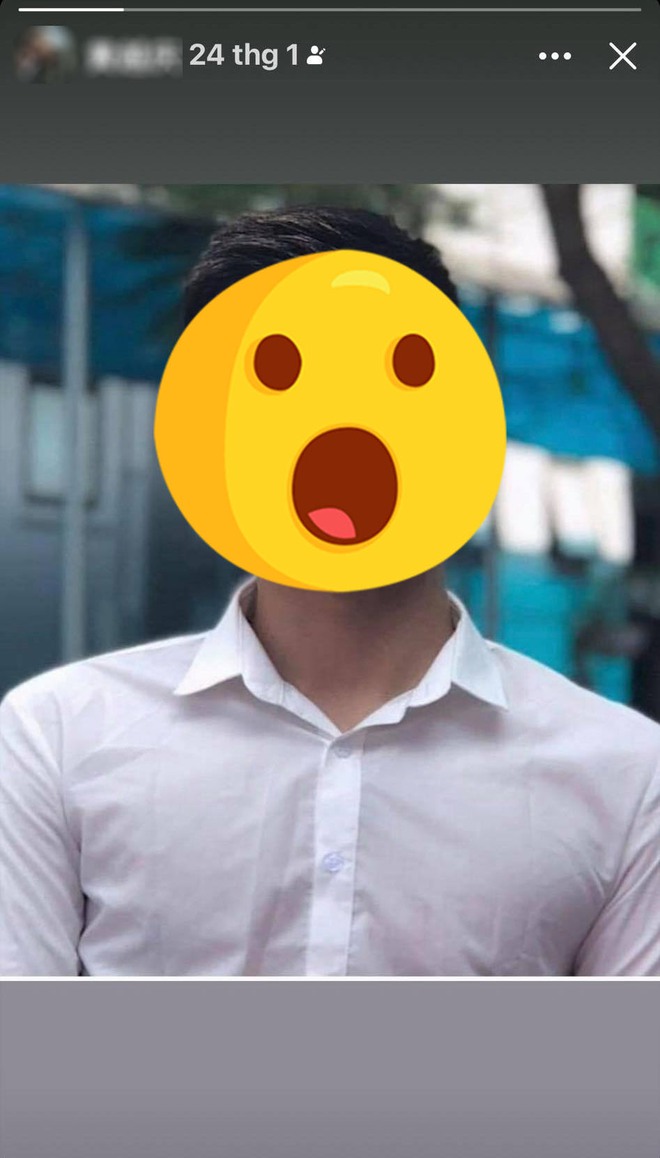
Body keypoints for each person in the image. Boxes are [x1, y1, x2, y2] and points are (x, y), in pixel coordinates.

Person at [1, 206, 659, 977]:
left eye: (400, 374)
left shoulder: (627, 777)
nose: (341, 430)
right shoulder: (55, 737)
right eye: (278, 380)